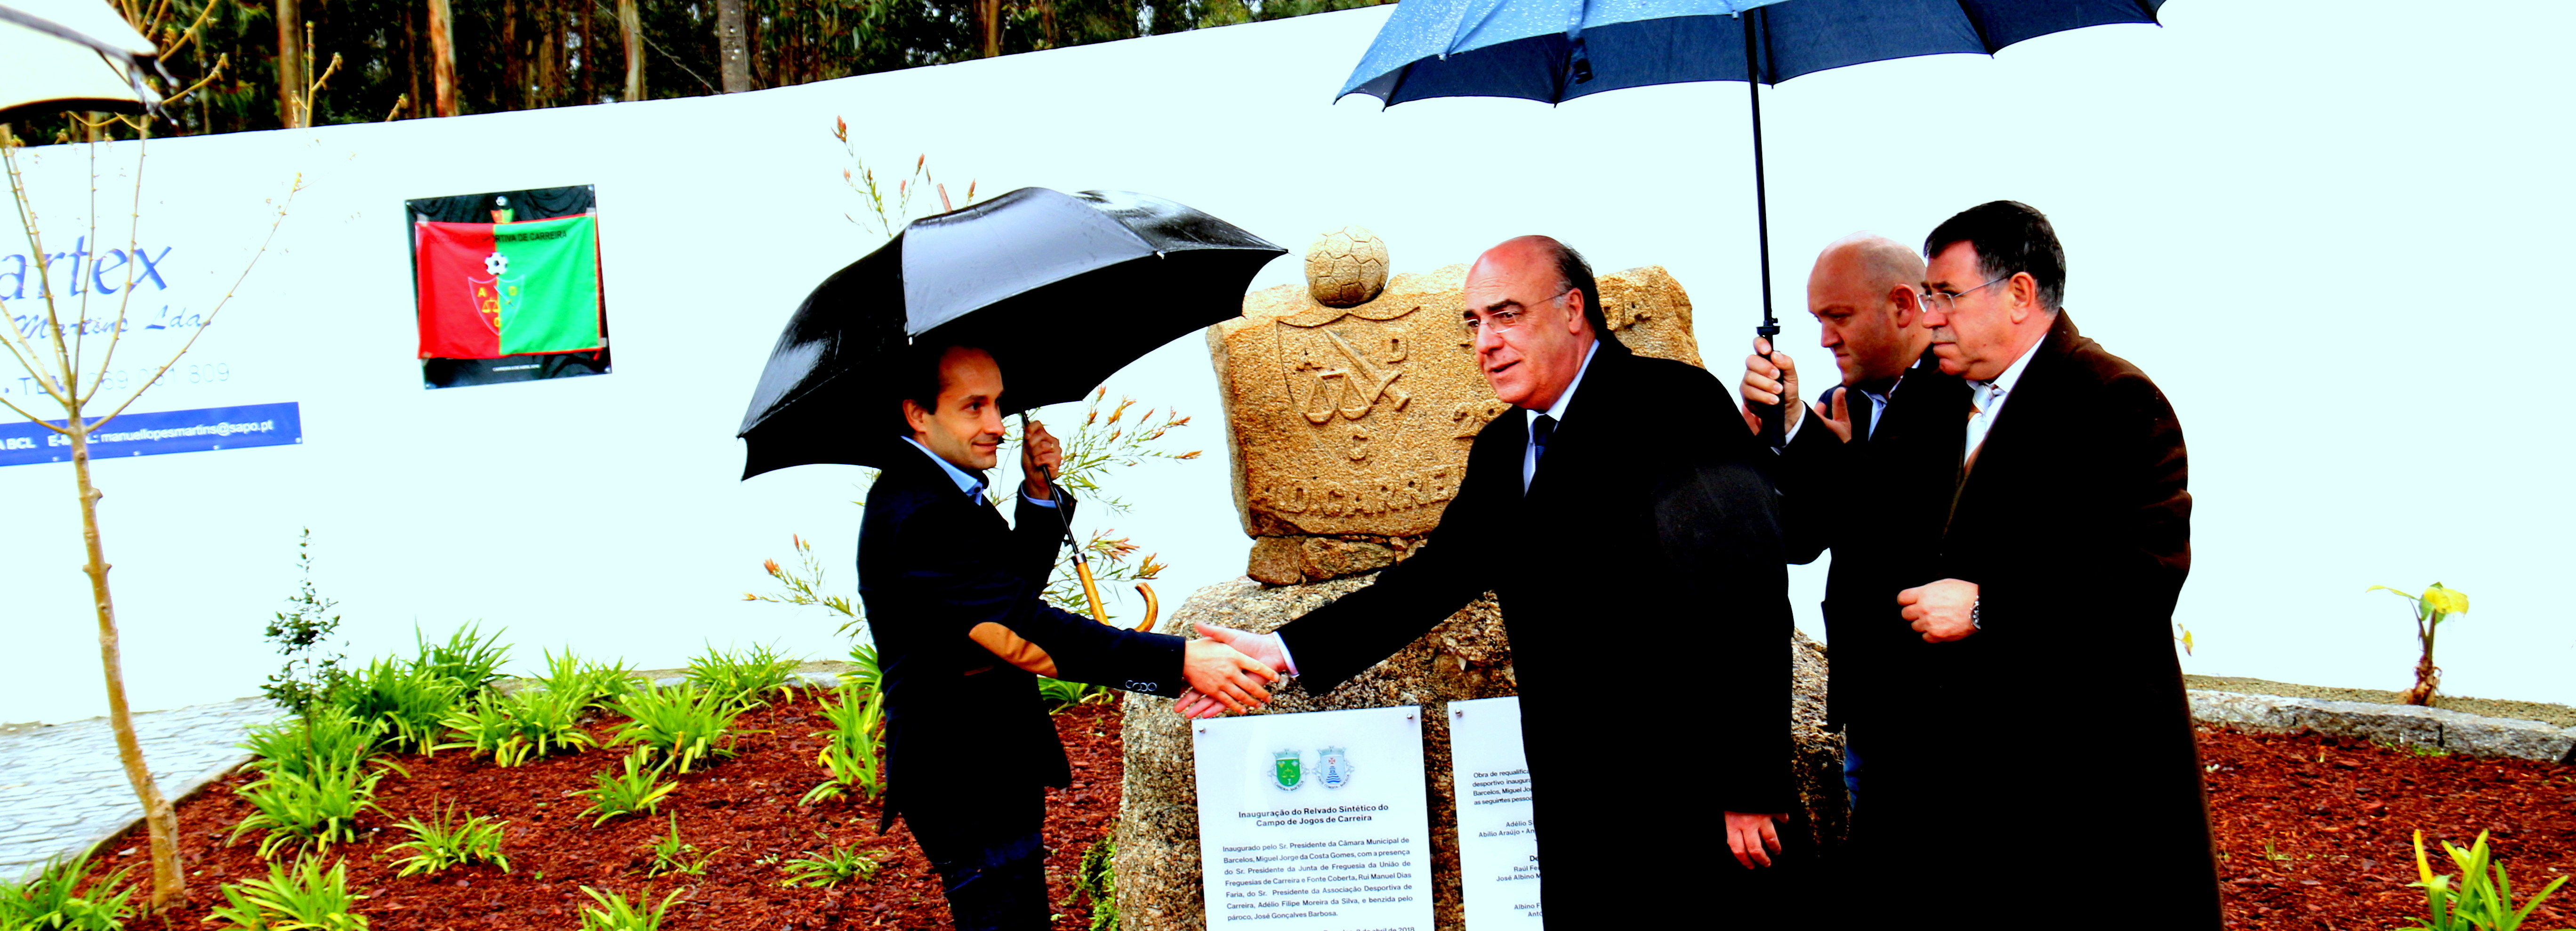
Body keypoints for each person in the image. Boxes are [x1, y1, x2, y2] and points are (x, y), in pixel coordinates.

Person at [1183, 235, 1797, 924]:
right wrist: (1285, 650)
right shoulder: (1505, 446)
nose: (1486, 342)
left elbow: (1744, 597)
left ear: (1573, 310)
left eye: (1506, 315)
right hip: (1575, 799)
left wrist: (1751, 782)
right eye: (1474, 322)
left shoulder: (1671, 405)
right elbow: (1432, 581)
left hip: (1695, 796)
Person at [1858, 201, 2218, 925]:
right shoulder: (1929, 396)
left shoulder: (2116, 403)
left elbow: (2140, 584)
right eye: (1929, 297)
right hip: (1932, 796)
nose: (1930, 317)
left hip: (2072, 799)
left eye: (1947, 296)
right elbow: (1862, 514)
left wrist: (1989, 607)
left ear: (2020, 295)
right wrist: (1791, 422)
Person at [858, 341, 1280, 931]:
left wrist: (1035, 494)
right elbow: (1020, 630)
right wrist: (1179, 660)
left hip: (992, 756)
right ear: (917, 414)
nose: (997, 426)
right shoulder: (918, 511)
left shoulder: (943, 492)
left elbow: (1006, 591)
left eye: (999, 404)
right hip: (962, 768)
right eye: (973, 407)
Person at [1734, 233, 1966, 814]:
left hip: (1949, 711)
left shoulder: (1963, 396)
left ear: (1904, 306)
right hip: (1870, 710)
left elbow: (1909, 528)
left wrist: (1807, 440)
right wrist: (1767, 443)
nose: (1824, 338)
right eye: (1816, 319)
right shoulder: (1843, 403)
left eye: (1839, 317)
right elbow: (1800, 538)